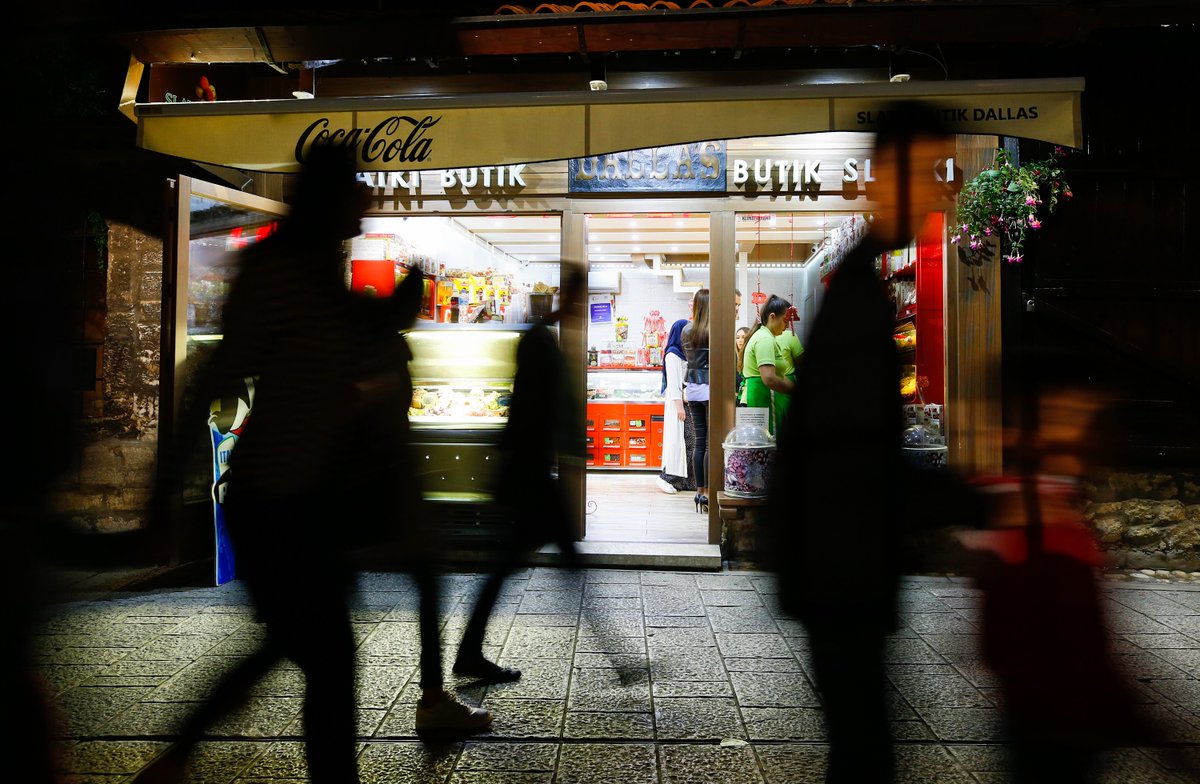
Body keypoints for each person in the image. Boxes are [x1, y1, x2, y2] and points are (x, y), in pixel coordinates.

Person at [139, 146, 488, 784]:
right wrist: (163, 490)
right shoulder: (282, 272)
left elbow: (349, 340)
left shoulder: (314, 270)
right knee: (323, 657)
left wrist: (396, 306)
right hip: (277, 498)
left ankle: (177, 759)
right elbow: (222, 374)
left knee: (305, 649)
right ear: (329, 198)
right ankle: (181, 758)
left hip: (303, 499)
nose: (366, 197)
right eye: (355, 185)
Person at [765, 101, 959, 784]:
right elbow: (852, 451)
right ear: (884, 175)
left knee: (859, 747)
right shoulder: (857, 292)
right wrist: (973, 499)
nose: (935, 190)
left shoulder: (856, 280)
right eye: (926, 171)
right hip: (841, 563)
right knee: (863, 751)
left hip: (836, 561)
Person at [453, 265, 590, 683]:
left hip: (529, 471)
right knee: (519, 565)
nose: (580, 306)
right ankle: (469, 653)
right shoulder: (539, 341)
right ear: (568, 297)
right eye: (578, 298)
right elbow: (531, 411)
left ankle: (469, 652)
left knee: (512, 565)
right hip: (529, 474)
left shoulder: (541, 337)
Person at [740, 295, 795, 435]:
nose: (787, 326)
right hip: (765, 398)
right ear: (772, 317)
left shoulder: (765, 336)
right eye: (785, 321)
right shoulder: (765, 339)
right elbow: (769, 378)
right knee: (769, 441)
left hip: (765, 398)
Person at [681, 288, 711, 513]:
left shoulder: (686, 330)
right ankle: (708, 492)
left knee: (699, 442)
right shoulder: (713, 330)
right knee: (710, 443)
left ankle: (699, 491)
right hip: (710, 388)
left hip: (692, 389)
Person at [656, 318, 693, 494]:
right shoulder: (672, 354)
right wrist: (679, 407)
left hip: (685, 402)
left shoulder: (683, 352)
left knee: (688, 442)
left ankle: (685, 481)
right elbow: (673, 383)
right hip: (678, 404)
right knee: (678, 441)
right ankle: (666, 477)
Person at [773, 308, 804, 431]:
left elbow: (800, 361)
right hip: (769, 382)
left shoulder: (790, 335)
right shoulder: (763, 336)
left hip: (784, 383)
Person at [734, 325, 751, 405]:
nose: (740, 340)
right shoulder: (733, 357)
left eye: (743, 337)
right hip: (737, 398)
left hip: (749, 396)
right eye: (737, 337)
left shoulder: (751, 357)